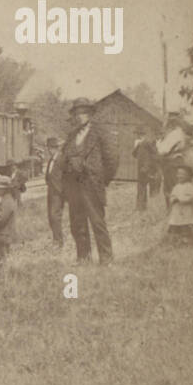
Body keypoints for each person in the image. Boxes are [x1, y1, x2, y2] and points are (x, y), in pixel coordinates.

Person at [61, 97, 119, 265]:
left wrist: (102, 179)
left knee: (97, 222)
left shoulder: (100, 132)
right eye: (77, 113)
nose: (80, 116)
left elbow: (112, 158)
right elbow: (64, 158)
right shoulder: (72, 135)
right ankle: (83, 258)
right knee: (77, 223)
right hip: (74, 185)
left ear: (91, 114)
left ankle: (106, 259)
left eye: (84, 112)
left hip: (92, 184)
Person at [0, 178, 18, 269]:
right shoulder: (7, 199)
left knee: (0, 260)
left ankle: (1, 278)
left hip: (3, 235)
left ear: (4, 189)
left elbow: (0, 220)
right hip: (4, 235)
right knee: (0, 258)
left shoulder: (6, 201)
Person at [43, 136, 65, 247]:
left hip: (58, 193)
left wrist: (62, 191)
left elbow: (65, 177)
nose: (48, 151)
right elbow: (48, 177)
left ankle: (58, 241)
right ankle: (56, 239)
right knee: (51, 217)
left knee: (55, 216)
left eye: (49, 148)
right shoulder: (51, 160)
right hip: (50, 192)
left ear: (54, 148)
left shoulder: (61, 159)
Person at [166, 166, 193, 244]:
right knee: (176, 224)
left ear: (189, 176)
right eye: (178, 174)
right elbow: (172, 195)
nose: (179, 176)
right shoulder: (176, 187)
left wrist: (179, 199)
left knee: (185, 225)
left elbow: (190, 197)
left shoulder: (190, 186)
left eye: (183, 174)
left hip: (186, 210)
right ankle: (176, 239)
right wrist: (172, 199)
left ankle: (187, 239)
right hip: (177, 211)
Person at [132, 127, 156, 211]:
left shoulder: (147, 142)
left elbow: (154, 153)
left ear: (143, 134)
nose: (138, 135)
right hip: (140, 166)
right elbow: (134, 155)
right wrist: (136, 146)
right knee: (140, 186)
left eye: (140, 134)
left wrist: (148, 166)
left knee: (143, 185)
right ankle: (140, 206)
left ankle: (142, 206)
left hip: (146, 167)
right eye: (138, 134)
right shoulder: (138, 143)